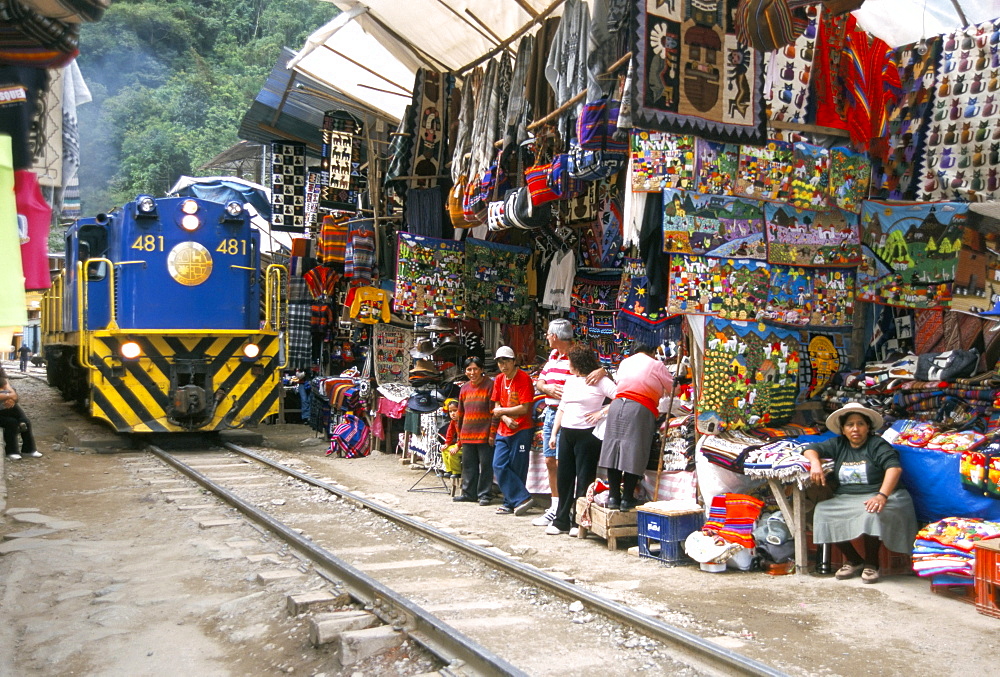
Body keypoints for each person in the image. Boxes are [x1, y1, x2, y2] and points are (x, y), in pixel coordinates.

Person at [801, 402, 918, 584]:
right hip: (848, 497)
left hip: (884, 494)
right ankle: (854, 560)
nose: (855, 429)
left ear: (868, 427)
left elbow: (894, 469)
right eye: (850, 425)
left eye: (860, 424)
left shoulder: (877, 445)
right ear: (843, 429)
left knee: (871, 512)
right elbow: (810, 448)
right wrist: (815, 463)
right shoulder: (839, 444)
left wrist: (881, 495)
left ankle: (872, 564)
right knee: (823, 512)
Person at [532, 318, 608, 527]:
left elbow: (601, 374)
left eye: (548, 334)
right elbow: (540, 381)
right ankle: (557, 509)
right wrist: (546, 388)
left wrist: (603, 372)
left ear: (555, 336)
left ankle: (576, 514)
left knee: (572, 468)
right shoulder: (553, 356)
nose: (546, 337)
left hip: (575, 419)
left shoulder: (577, 357)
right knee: (551, 462)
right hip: (554, 413)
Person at [546, 345, 616, 536]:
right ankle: (561, 520)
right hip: (567, 433)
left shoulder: (600, 381)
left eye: (570, 361)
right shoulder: (569, 381)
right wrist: (554, 433)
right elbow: (562, 407)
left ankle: (579, 521)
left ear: (578, 363)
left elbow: (620, 397)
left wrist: (601, 413)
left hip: (588, 434)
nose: (568, 364)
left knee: (584, 477)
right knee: (565, 476)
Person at [598, 343, 673, 511]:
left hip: (617, 405)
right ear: (653, 351)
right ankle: (626, 499)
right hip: (640, 407)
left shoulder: (626, 362)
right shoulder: (656, 364)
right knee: (634, 451)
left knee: (614, 450)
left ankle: (613, 497)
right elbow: (672, 388)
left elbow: (620, 382)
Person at [490, 346, 536, 516]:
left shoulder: (523, 378)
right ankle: (522, 498)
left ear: (514, 361)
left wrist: (502, 413)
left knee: (517, 466)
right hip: (504, 428)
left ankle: (510, 503)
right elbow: (496, 405)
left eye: (507, 361)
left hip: (521, 428)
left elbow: (524, 408)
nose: (504, 365)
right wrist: (505, 417)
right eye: (500, 362)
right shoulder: (499, 379)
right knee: (498, 464)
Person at [454, 356, 496, 505]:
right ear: (465, 371)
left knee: (486, 466)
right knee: (468, 465)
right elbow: (460, 413)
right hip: (467, 434)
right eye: (469, 369)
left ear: (482, 370)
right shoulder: (464, 388)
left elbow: (494, 412)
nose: (472, 372)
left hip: (484, 434)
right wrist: (459, 437)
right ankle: (468, 493)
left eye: (475, 369)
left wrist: (492, 433)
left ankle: (485, 494)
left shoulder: (490, 385)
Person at [0, 367, 40, 460]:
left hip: (2, 410)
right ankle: (11, 452)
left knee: (26, 421)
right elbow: (10, 393)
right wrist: (7, 395)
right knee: (11, 422)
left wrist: (10, 399)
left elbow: (15, 395)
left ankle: (29, 450)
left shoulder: (2, 378)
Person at [438, 399, 462, 479]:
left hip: (465, 444)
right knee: (444, 450)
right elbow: (450, 433)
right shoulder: (453, 422)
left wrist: (457, 446)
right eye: (450, 412)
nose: (453, 414)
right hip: (459, 444)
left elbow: (464, 435)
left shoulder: (463, 421)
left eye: (455, 411)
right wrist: (447, 443)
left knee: (453, 453)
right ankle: (449, 470)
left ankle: (457, 472)